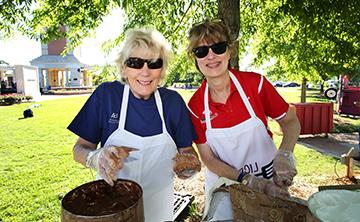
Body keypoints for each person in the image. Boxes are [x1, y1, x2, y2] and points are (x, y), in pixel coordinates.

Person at [67, 27, 201, 222]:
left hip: (159, 209)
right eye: (135, 63)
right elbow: (79, 149)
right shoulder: (106, 96)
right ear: (123, 68)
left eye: (154, 63)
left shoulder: (172, 102)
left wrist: (189, 165)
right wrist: (95, 158)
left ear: (162, 70)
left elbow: (188, 151)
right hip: (111, 211)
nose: (145, 72)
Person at [186, 19, 301, 221]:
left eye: (218, 47)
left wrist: (285, 153)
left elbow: (290, 121)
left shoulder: (255, 85)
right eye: (201, 51)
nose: (211, 56)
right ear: (195, 59)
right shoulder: (195, 106)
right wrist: (247, 180)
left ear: (229, 52)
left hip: (269, 184)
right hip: (224, 188)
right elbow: (208, 158)